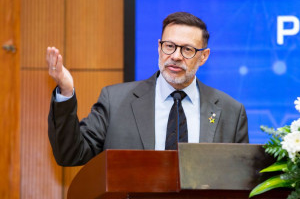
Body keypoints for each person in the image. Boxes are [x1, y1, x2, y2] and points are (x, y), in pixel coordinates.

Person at [47, 12, 249, 166]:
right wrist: (65, 92)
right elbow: (71, 154)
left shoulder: (231, 111)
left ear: (203, 56)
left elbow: (240, 177)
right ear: (159, 47)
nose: (176, 56)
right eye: (169, 46)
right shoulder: (115, 101)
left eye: (187, 49)